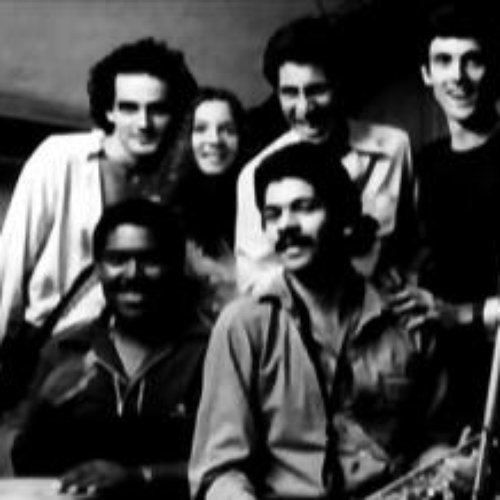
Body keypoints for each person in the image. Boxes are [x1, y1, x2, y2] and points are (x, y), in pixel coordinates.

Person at [189, 143, 464, 500]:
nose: (286, 225)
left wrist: (452, 465)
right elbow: (218, 472)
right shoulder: (244, 326)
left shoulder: (407, 320)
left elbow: (434, 444)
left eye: (304, 207)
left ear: (345, 217)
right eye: (272, 214)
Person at [0, 37, 197, 346]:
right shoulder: (60, 158)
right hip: (51, 347)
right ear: (109, 111)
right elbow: (10, 266)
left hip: (133, 352)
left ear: (175, 114)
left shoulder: (177, 183)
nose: (143, 123)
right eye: (129, 108)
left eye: (157, 110)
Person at [11, 199, 208, 500]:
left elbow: (233, 465)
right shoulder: (65, 350)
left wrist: (137, 477)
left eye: (150, 260)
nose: (132, 274)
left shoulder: (208, 352)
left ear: (175, 266)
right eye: (117, 260)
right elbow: (25, 464)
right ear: (98, 268)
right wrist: (45, 408)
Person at [235, 15, 415, 292]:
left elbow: (413, 245)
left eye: (316, 90)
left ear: (341, 84)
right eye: (290, 93)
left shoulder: (394, 147)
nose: (304, 109)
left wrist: (404, 281)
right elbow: (252, 285)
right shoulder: (254, 175)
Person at [391, 3, 500, 439]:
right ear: (426, 74)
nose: (457, 76)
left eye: (473, 60)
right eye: (443, 61)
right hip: (451, 378)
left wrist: (461, 314)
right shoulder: (427, 163)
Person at [167, 87, 247, 325]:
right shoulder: (169, 214)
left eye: (227, 130)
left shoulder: (261, 202)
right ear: (186, 139)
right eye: (201, 129)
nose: (214, 140)